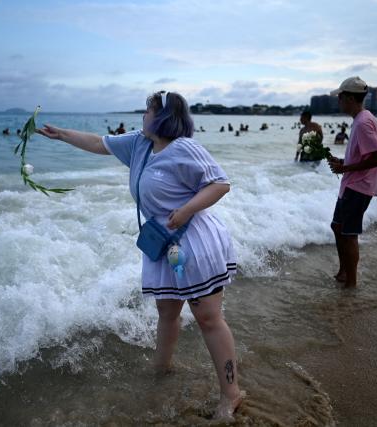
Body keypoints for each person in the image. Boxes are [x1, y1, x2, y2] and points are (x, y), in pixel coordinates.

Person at [36, 90, 242, 419]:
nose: (143, 116)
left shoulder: (184, 148)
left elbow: (220, 184)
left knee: (208, 319)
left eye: (148, 110)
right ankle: (161, 370)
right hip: (163, 243)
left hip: (194, 240)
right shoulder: (139, 144)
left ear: (163, 116)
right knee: (167, 312)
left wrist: (186, 210)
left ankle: (230, 393)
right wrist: (61, 134)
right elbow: (98, 143)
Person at [327, 76, 377, 288]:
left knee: (349, 234)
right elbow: (364, 155)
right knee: (337, 226)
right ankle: (344, 271)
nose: (338, 101)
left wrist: (345, 168)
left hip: (359, 186)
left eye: (340, 97)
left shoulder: (362, 123)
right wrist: (344, 161)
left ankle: (351, 282)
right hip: (352, 183)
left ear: (350, 98)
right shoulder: (362, 119)